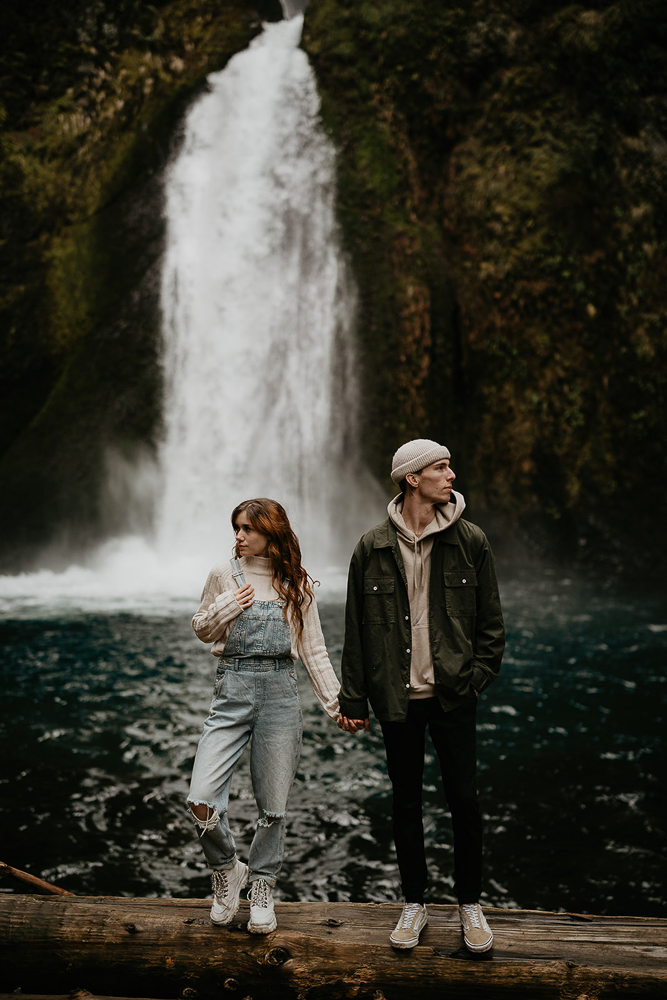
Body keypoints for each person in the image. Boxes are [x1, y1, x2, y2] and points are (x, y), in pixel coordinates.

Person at [337, 439, 505, 953]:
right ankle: (414, 902)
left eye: (449, 465)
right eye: (441, 467)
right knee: (406, 802)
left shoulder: (470, 541)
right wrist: (354, 699)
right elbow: (356, 629)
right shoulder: (371, 547)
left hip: (454, 696)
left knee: (465, 800)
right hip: (397, 699)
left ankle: (470, 904)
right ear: (412, 478)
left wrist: (474, 680)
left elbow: (491, 627)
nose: (451, 475)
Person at [187, 498, 340, 933]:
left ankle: (262, 885)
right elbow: (201, 629)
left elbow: (314, 651)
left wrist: (337, 706)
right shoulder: (223, 574)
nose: (238, 536)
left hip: (280, 693)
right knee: (200, 798)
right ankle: (227, 868)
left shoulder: (296, 583)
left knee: (272, 808)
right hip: (231, 691)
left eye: (247, 529)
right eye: (236, 527)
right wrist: (227, 607)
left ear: (271, 533)